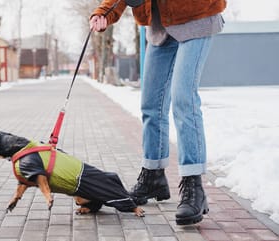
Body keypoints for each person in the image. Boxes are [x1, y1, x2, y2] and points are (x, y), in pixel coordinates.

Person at [90, 0, 226, 225]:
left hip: (196, 15)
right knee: (151, 104)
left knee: (184, 99)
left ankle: (194, 186)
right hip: (159, 26)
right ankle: (153, 176)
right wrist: (104, 12)